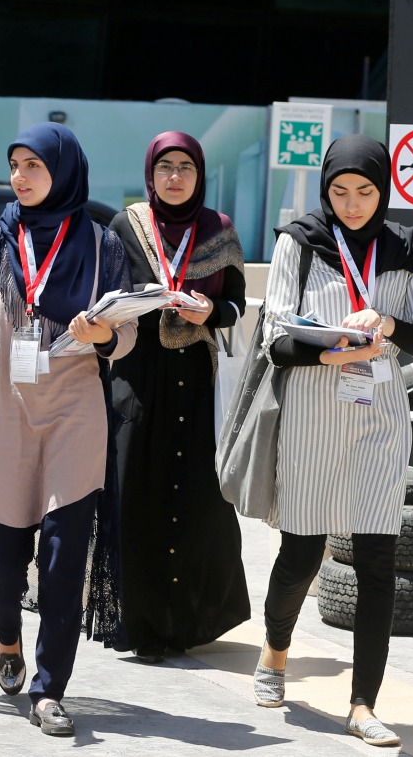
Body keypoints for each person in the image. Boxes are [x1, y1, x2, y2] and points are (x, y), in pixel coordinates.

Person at [254, 134, 413, 747]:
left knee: (377, 563)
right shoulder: (299, 241)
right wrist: (326, 352)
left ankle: (363, 704)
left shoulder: (406, 247)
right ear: (325, 189)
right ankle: (277, 649)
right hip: (313, 417)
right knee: (301, 556)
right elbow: (274, 339)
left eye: (365, 192)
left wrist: (387, 324)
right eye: (340, 192)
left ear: (383, 188)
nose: (353, 204)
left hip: (380, 421)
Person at [0, 122, 134, 737]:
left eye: (33, 165)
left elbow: (125, 333)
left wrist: (100, 333)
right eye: (14, 165)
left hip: (75, 412)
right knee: (3, 561)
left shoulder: (105, 243)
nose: (20, 177)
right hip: (5, 410)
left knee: (63, 557)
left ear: (64, 170)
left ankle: (50, 688)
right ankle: (7, 635)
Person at [108, 131, 250, 663]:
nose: (174, 176)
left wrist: (208, 313)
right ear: (151, 172)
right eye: (165, 166)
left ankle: (186, 621)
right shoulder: (127, 225)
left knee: (196, 500)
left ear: (199, 174)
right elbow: (109, 297)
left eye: (185, 167)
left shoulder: (220, 231)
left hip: (197, 379)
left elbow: (236, 307)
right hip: (137, 377)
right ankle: (138, 622)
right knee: (134, 493)